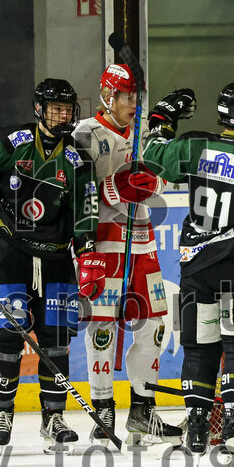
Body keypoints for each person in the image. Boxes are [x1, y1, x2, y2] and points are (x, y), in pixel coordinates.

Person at [0, 78, 105, 452]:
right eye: (55, 108)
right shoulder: (6, 142)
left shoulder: (78, 160)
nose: (63, 115)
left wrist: (88, 254)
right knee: (8, 340)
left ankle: (53, 419)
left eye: (68, 108)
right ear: (38, 109)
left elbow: (86, 212)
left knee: (56, 340)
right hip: (10, 252)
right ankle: (2, 412)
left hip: (57, 257)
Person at [141, 81, 234, 460]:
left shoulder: (195, 145)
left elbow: (152, 155)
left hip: (195, 267)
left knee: (199, 349)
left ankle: (196, 424)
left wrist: (163, 116)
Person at [72, 64, 184, 446]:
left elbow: (164, 173)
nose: (132, 105)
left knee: (154, 326)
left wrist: (153, 180)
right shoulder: (86, 133)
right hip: (103, 241)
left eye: (136, 98)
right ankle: (103, 412)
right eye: (125, 97)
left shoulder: (144, 135)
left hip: (143, 240)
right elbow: (76, 188)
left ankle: (142, 412)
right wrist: (114, 189)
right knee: (101, 328)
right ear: (107, 96)